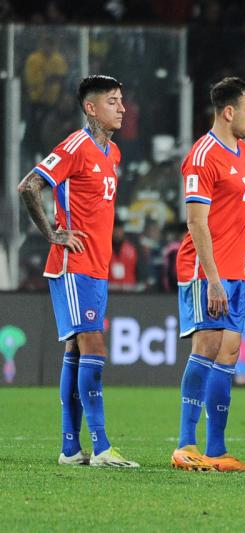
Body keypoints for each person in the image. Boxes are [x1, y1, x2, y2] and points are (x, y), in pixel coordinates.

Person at [17, 75, 138, 467]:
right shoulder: (75, 146)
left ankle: (70, 449)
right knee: (94, 346)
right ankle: (101, 447)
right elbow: (29, 186)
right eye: (112, 101)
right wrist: (52, 234)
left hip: (96, 266)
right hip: (74, 265)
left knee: (75, 349)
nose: (122, 107)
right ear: (91, 108)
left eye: (121, 100)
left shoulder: (113, 153)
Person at [171, 77, 245, 473]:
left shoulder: (243, 152)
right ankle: (185, 444)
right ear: (228, 112)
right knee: (206, 347)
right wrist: (212, 278)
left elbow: (239, 216)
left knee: (229, 354)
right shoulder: (202, 156)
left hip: (234, 270)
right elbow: (196, 222)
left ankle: (217, 449)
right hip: (204, 270)